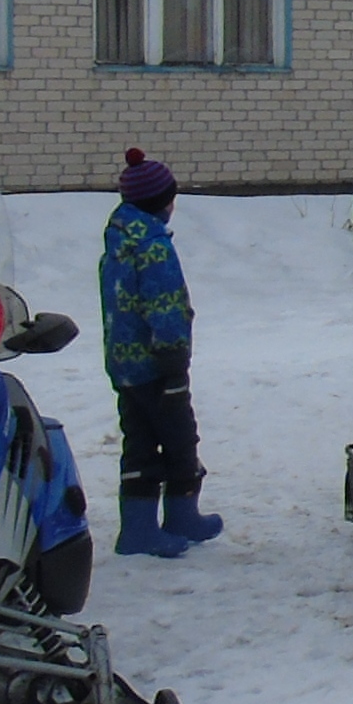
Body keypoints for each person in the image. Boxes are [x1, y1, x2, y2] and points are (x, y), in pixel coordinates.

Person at [99, 149, 220, 558]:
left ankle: (138, 527)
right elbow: (164, 306)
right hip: (157, 365)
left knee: (139, 442)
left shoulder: (119, 241)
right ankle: (182, 516)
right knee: (180, 439)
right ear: (162, 202)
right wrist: (173, 362)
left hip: (125, 365)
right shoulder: (152, 247)